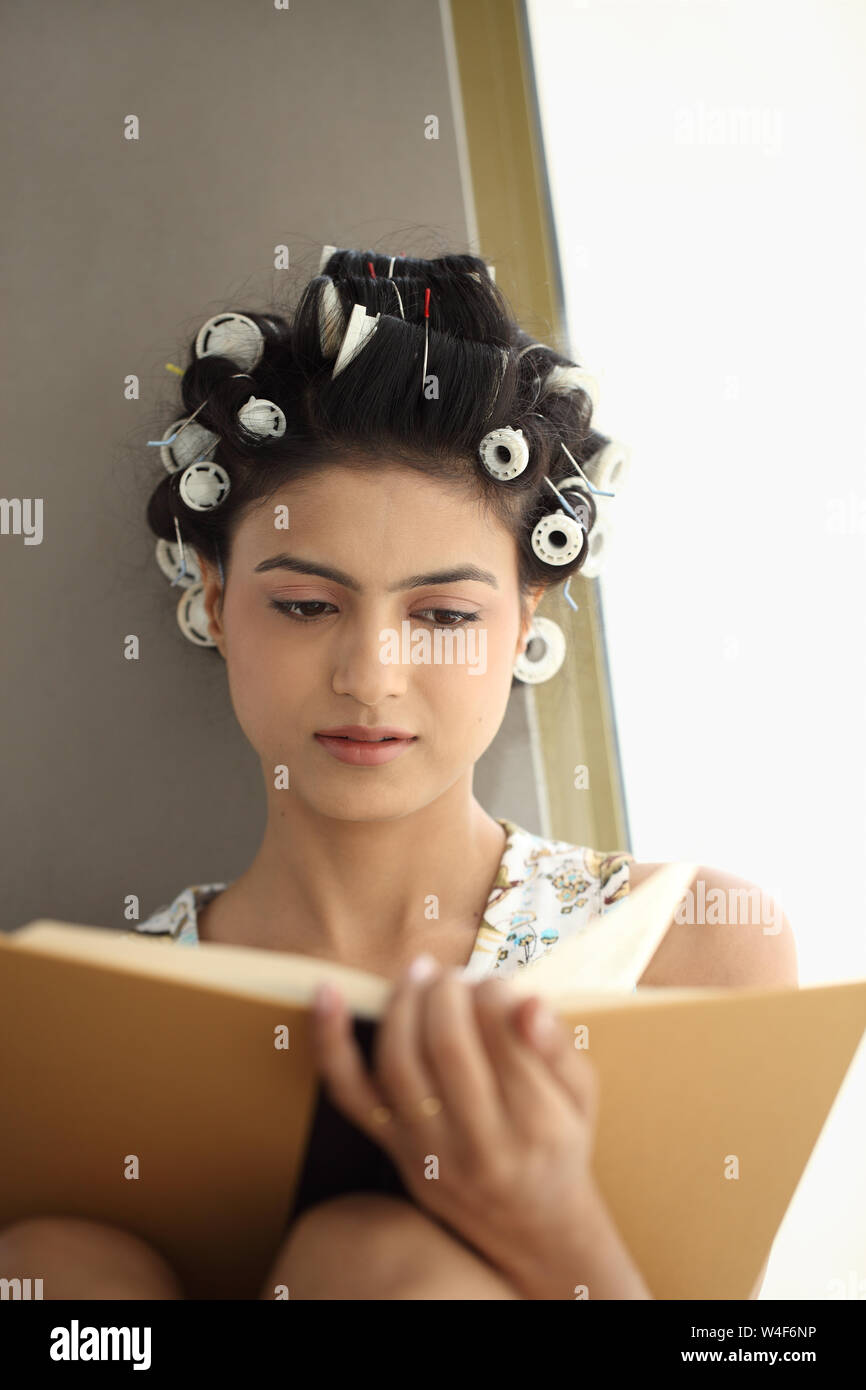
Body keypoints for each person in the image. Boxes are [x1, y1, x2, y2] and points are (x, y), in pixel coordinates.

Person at [0, 248, 798, 1299]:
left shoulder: (684, 947)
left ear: (525, 624)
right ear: (213, 595)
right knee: (55, 1271)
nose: (372, 676)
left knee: (374, 1262)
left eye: (442, 616)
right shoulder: (77, 1021)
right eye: (304, 605)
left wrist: (550, 1226)